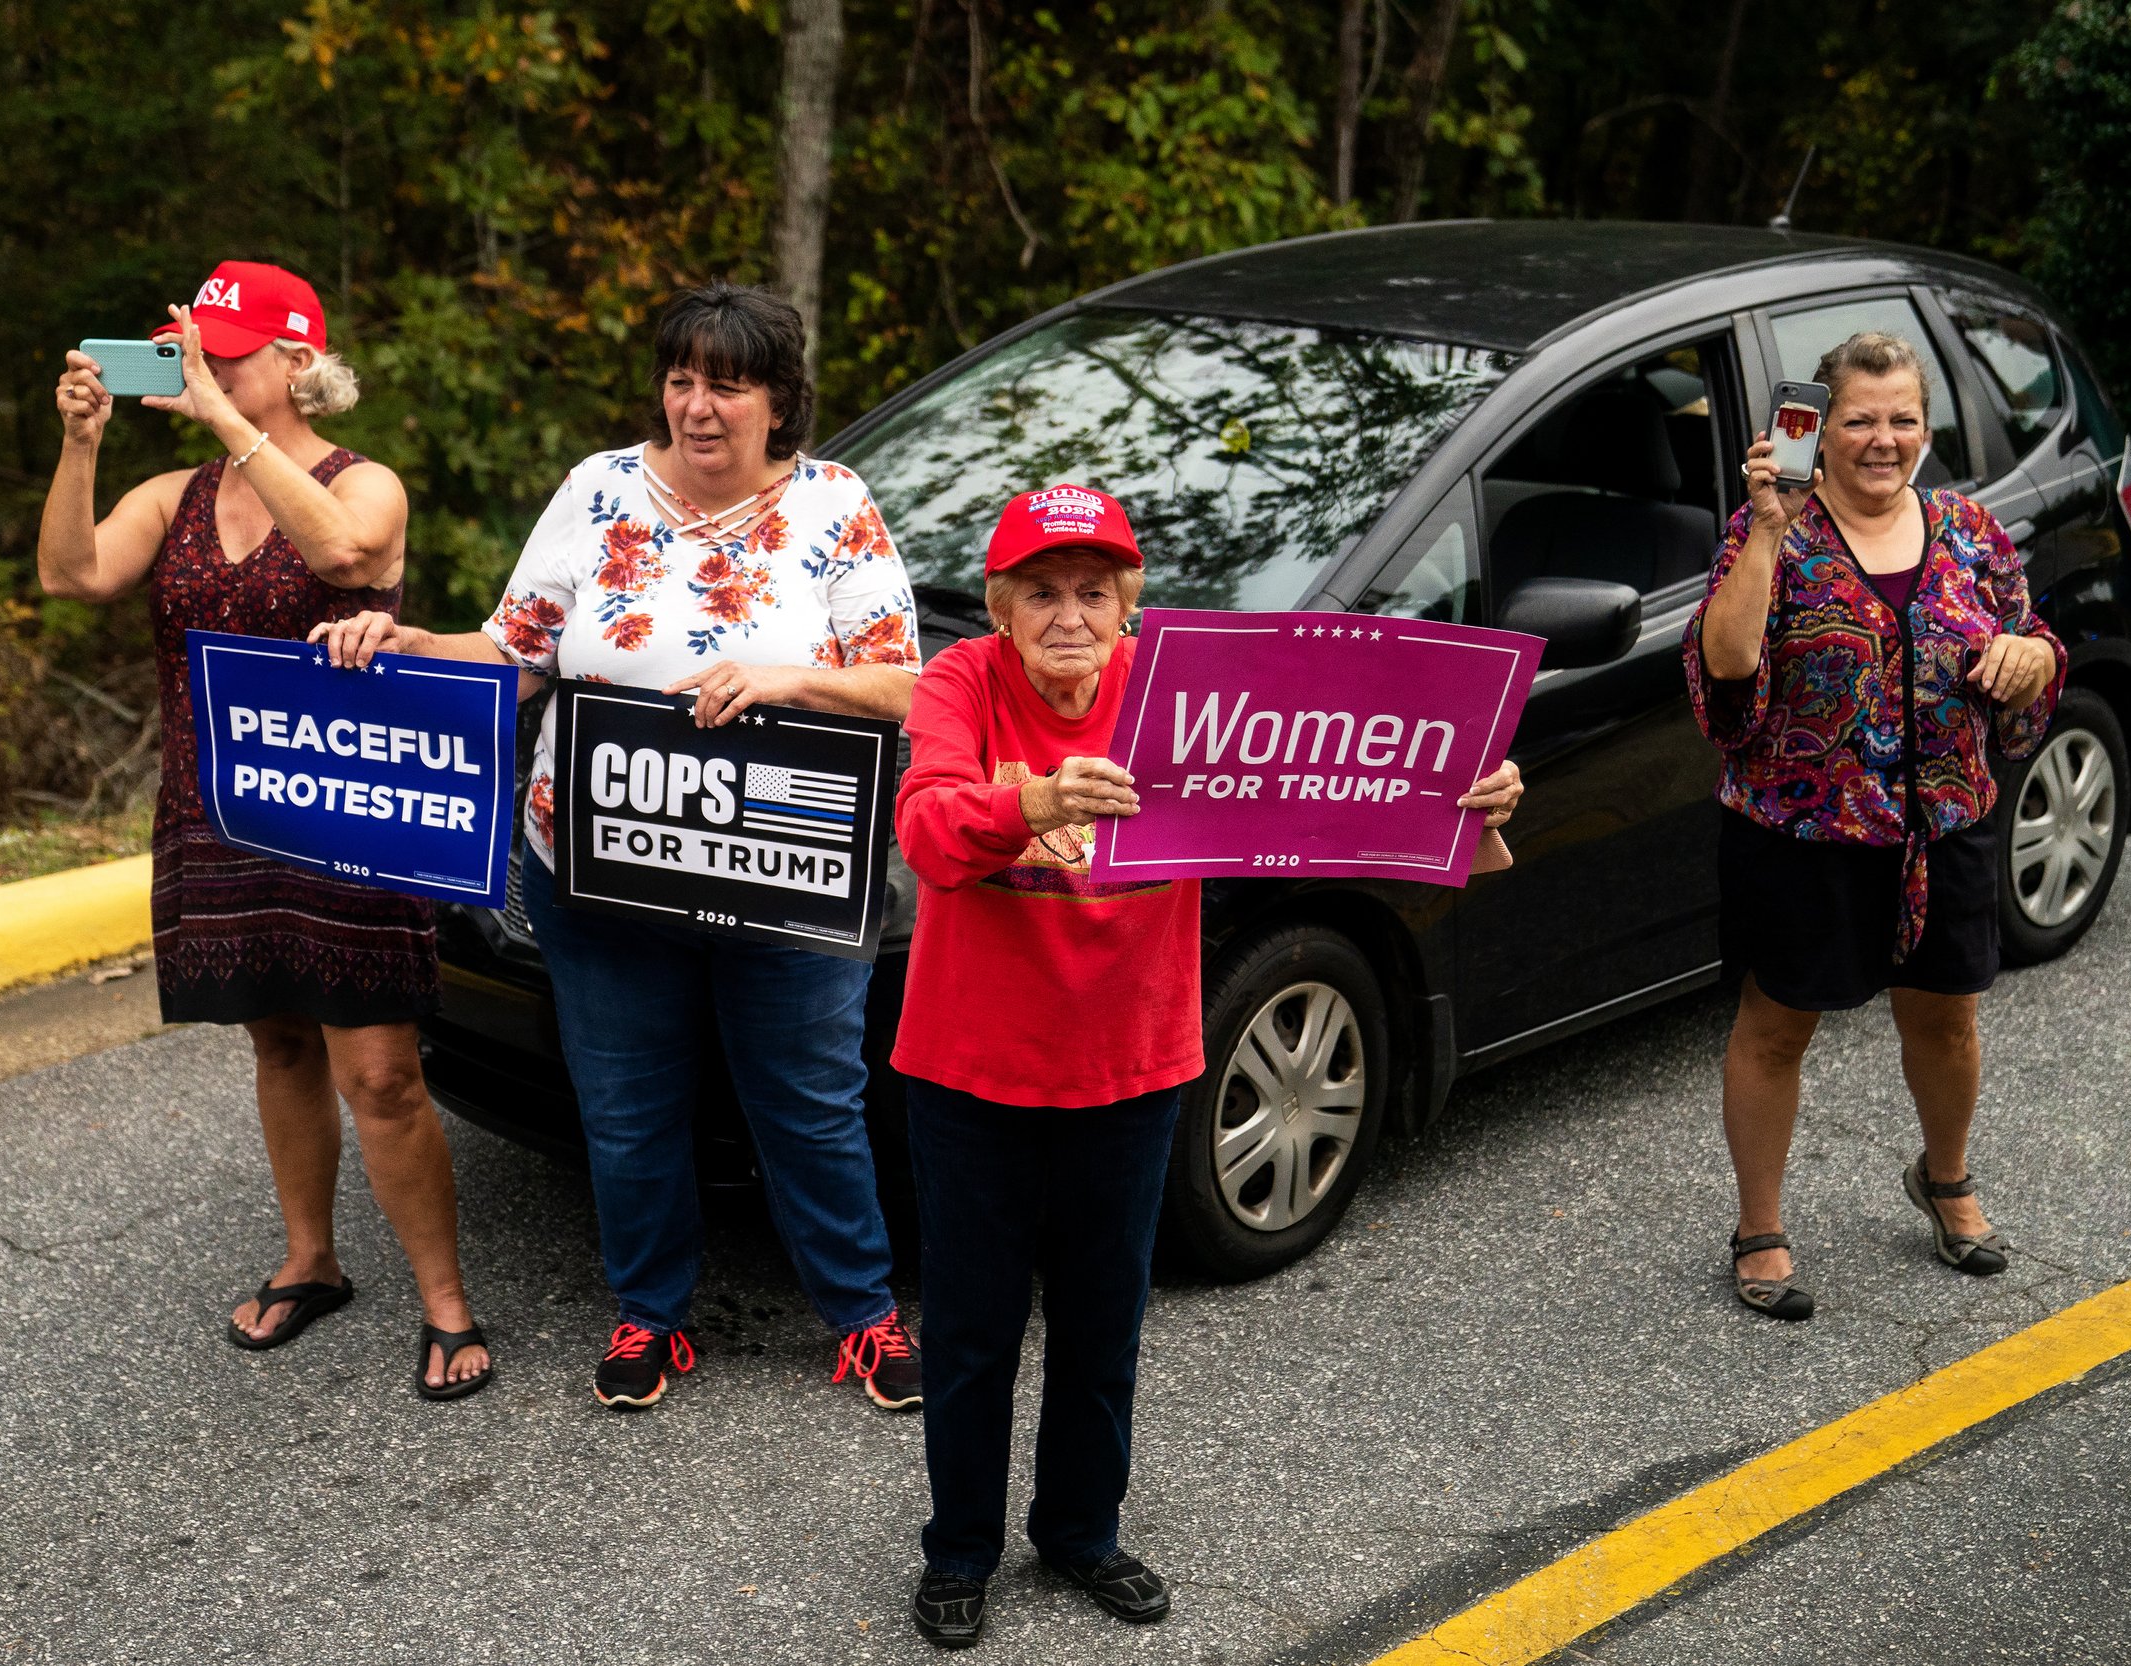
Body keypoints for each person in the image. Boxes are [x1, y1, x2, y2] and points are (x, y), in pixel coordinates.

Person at [890, 485, 1523, 1648]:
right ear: (999, 605)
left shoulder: (1181, 691)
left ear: (1130, 605)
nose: (1068, 614)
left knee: (1102, 1322)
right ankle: (959, 1548)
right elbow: (927, 827)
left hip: (1131, 1062)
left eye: (1094, 591)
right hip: (972, 1066)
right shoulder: (961, 681)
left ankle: (1079, 1531)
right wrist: (1032, 795)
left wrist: (1468, 801)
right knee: (972, 1328)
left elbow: (1333, 786)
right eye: (1041, 592)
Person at [310, 281, 926, 1413]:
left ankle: (863, 1314)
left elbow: (904, 688)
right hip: (598, 865)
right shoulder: (597, 489)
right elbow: (517, 652)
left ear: (777, 401)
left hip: (781, 871)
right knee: (628, 1105)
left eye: (727, 385)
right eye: (681, 379)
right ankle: (651, 1313)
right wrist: (402, 643)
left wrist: (789, 676)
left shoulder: (835, 502)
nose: (698, 407)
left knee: (809, 1100)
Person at [36, 260, 491, 1399]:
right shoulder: (175, 493)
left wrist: (232, 422)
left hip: (345, 810)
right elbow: (70, 573)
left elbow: (345, 555)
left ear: (297, 359)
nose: (205, 361)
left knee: (380, 1068)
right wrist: (83, 444)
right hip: (217, 807)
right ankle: (312, 1260)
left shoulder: (364, 481)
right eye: (195, 347)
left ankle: (445, 1301)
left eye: (228, 346)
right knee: (276, 1036)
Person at [1684, 330, 2067, 1321]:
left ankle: (1943, 1179)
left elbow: (2030, 642)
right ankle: (1759, 1228)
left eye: (1900, 418)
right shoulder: (1772, 529)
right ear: (1822, 430)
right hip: (1801, 835)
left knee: (1945, 1017)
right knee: (1774, 1028)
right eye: (1856, 419)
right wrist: (1768, 529)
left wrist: (2029, 656)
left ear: (1926, 431)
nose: (1879, 439)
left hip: (1946, 825)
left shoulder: (1973, 530)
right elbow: (1722, 667)